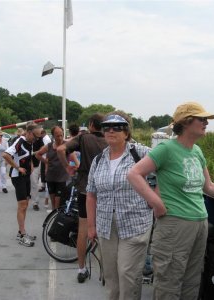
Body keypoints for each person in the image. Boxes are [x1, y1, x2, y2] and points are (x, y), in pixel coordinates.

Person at [127, 102, 214, 300]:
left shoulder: (196, 151)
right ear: (186, 122)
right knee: (169, 283)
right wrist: (156, 203)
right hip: (175, 225)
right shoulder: (166, 148)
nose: (206, 123)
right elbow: (134, 174)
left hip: (199, 223)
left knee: (192, 282)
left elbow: (208, 186)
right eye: (202, 119)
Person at [86, 112, 152, 300]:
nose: (111, 130)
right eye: (106, 127)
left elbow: (165, 169)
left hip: (135, 225)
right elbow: (91, 195)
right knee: (111, 276)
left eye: (117, 127)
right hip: (106, 227)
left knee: (127, 275)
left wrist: (156, 199)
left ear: (127, 131)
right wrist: (91, 226)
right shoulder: (99, 160)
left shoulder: (140, 153)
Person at [57, 113, 107, 283]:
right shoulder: (110, 140)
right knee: (105, 230)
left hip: (85, 189)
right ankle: (106, 271)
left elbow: (60, 149)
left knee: (84, 230)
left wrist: (68, 168)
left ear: (91, 124)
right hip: (106, 191)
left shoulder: (84, 138)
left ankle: (82, 268)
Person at [2, 123, 42, 247]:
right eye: (35, 137)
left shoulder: (30, 143)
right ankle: (22, 234)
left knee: (25, 204)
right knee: (22, 205)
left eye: (38, 138)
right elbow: (6, 155)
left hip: (26, 176)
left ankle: (22, 232)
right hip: (17, 176)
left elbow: (25, 155)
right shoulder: (20, 141)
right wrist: (18, 167)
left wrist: (29, 164)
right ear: (29, 133)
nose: (36, 140)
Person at [35, 126, 79, 210]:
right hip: (51, 176)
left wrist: (77, 166)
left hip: (62, 177)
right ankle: (54, 214)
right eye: (57, 136)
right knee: (53, 201)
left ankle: (56, 215)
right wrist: (46, 162)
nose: (60, 138)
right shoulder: (49, 146)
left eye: (61, 135)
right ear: (53, 136)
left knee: (58, 200)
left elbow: (74, 157)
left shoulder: (66, 145)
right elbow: (38, 154)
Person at [30, 129, 45, 211]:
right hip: (25, 164)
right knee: (28, 182)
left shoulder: (39, 139)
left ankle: (35, 202)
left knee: (34, 183)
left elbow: (42, 149)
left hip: (35, 164)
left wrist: (33, 153)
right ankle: (27, 196)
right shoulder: (24, 139)